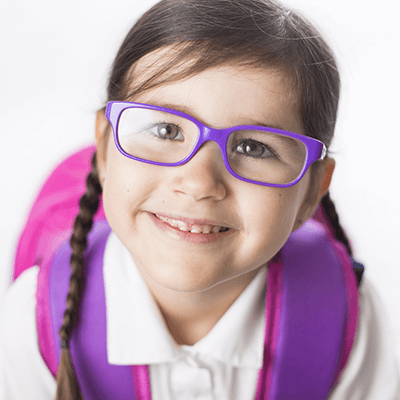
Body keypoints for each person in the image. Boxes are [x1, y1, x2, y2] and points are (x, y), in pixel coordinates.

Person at [1, 0, 399, 399]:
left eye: (255, 148)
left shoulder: (352, 321)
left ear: (312, 190)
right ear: (104, 151)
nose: (198, 183)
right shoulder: (31, 323)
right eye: (166, 130)